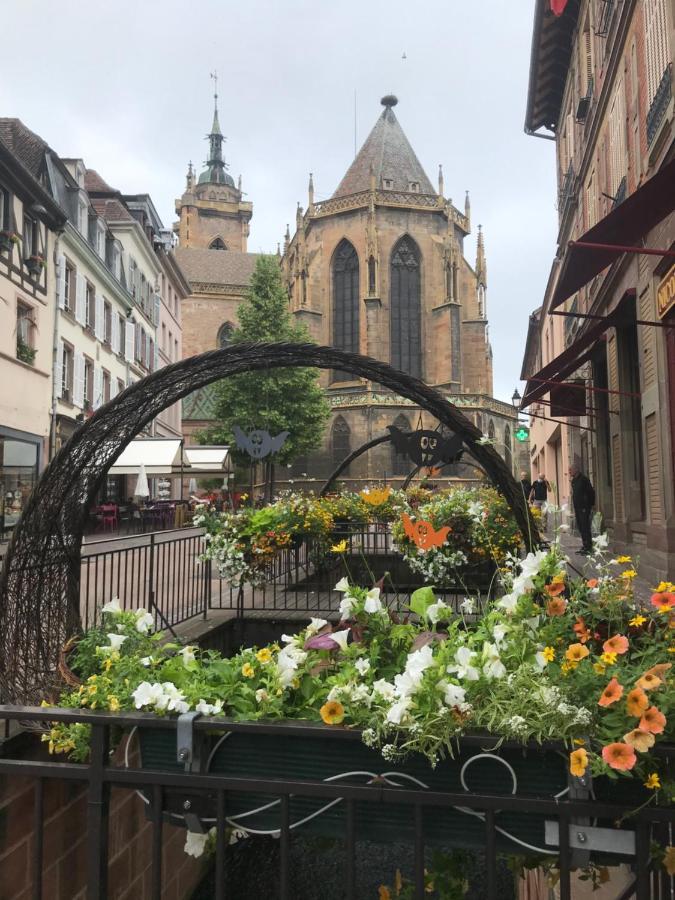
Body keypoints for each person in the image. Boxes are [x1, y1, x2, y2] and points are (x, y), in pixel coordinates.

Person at [569, 464, 595, 555]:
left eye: (571, 470)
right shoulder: (574, 480)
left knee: (585, 527)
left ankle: (588, 547)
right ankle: (584, 545)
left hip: (584, 507)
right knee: (580, 526)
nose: (569, 472)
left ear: (576, 470)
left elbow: (590, 492)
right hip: (577, 507)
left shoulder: (584, 479)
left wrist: (589, 505)